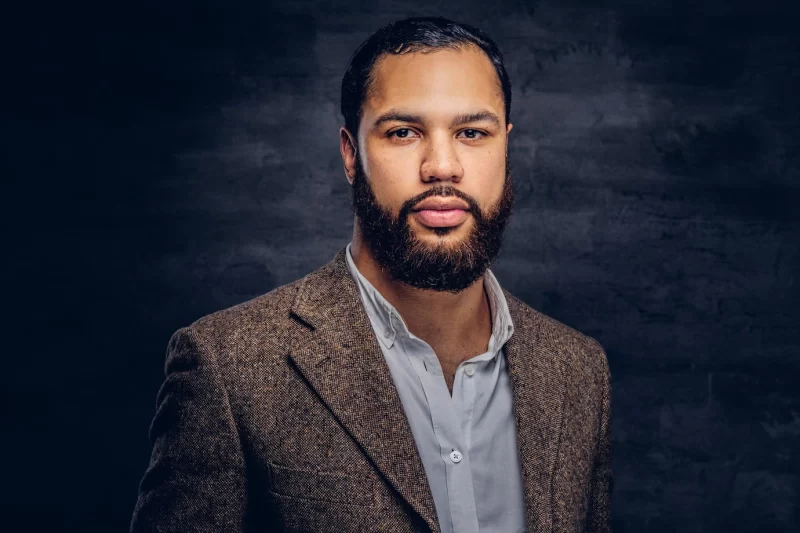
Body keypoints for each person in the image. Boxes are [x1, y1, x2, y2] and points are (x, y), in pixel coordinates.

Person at [130, 16, 612, 533]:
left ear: (505, 145)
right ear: (350, 154)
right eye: (404, 132)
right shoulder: (228, 367)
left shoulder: (578, 371)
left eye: (472, 132)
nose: (442, 166)